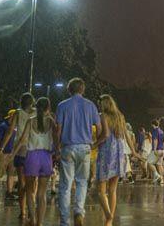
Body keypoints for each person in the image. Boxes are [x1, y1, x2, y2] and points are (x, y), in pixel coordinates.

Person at [56, 78, 101, 226]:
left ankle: (64, 221)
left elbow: (58, 129)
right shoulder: (90, 105)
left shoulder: (62, 106)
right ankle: (78, 212)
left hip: (67, 147)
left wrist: (57, 147)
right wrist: (95, 144)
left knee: (65, 185)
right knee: (82, 182)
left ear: (69, 89)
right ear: (82, 89)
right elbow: (99, 128)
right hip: (85, 147)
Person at [94, 95, 140, 226]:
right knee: (112, 190)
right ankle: (110, 220)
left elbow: (104, 135)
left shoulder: (102, 116)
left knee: (101, 191)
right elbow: (127, 136)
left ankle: (108, 214)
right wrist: (134, 151)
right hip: (118, 154)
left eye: (100, 104)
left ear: (104, 105)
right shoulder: (120, 117)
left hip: (106, 154)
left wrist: (93, 145)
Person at [13, 97, 59, 226]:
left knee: (29, 190)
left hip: (32, 156)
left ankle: (32, 219)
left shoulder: (31, 121)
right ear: (48, 108)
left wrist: (12, 154)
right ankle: (40, 222)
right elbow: (56, 140)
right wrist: (59, 153)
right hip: (46, 157)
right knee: (42, 193)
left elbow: (22, 140)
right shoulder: (51, 121)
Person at [1, 92, 36, 220]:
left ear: (21, 102)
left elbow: (10, 131)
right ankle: (31, 208)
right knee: (32, 182)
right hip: (34, 149)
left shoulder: (18, 113)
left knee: (21, 182)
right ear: (32, 102)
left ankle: (23, 211)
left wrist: (2, 147)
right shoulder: (37, 113)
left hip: (20, 150)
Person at [147, 119, 164, 184]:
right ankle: (162, 179)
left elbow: (155, 140)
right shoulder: (162, 131)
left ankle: (156, 175)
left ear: (153, 124)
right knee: (159, 165)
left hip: (157, 149)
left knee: (149, 163)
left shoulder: (155, 131)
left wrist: (154, 149)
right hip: (162, 150)